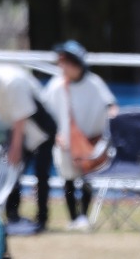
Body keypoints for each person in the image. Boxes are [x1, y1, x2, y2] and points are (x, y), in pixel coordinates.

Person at [0, 61, 58, 235]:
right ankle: (13, 217)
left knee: (41, 174)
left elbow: (21, 116)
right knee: (9, 172)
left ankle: (42, 219)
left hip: (41, 129)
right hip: (18, 130)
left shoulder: (12, 81)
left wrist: (16, 148)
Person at [41, 40, 118, 232]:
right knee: (67, 179)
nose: (62, 66)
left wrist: (113, 120)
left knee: (87, 178)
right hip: (65, 142)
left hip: (89, 141)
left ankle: (83, 215)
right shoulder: (56, 85)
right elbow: (46, 112)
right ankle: (73, 217)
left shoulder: (94, 83)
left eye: (65, 61)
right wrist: (55, 134)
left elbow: (110, 105)